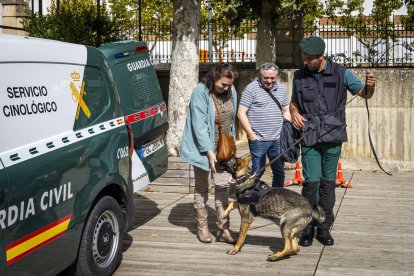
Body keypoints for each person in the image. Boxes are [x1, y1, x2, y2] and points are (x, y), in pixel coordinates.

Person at [290, 36, 376, 246]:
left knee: (328, 184)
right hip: (309, 136)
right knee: (311, 184)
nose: (305, 62)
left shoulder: (341, 73)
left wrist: (370, 86)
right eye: (304, 58)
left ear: (322, 57)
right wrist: (293, 113)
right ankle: (307, 227)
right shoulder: (299, 76)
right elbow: (294, 102)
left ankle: (324, 228)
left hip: (333, 135)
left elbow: (365, 94)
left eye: (309, 59)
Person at [180, 63, 238, 243]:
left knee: (222, 187)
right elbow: (199, 124)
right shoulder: (201, 92)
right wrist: (208, 151)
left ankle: (223, 228)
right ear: (214, 78)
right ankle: (202, 228)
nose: (227, 88)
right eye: (223, 84)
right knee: (202, 187)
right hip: (202, 148)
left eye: (229, 84)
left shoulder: (231, 90)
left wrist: (231, 144)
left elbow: (231, 121)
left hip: (222, 149)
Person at [237, 62, 290, 188]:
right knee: (257, 172)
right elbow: (241, 112)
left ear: (277, 76)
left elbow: (286, 110)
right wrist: (251, 135)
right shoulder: (251, 88)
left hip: (277, 139)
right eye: (266, 78)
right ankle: (252, 198)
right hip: (258, 139)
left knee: (279, 172)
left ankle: (277, 197)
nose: (269, 81)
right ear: (261, 76)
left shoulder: (281, 89)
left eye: (272, 78)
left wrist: (287, 131)